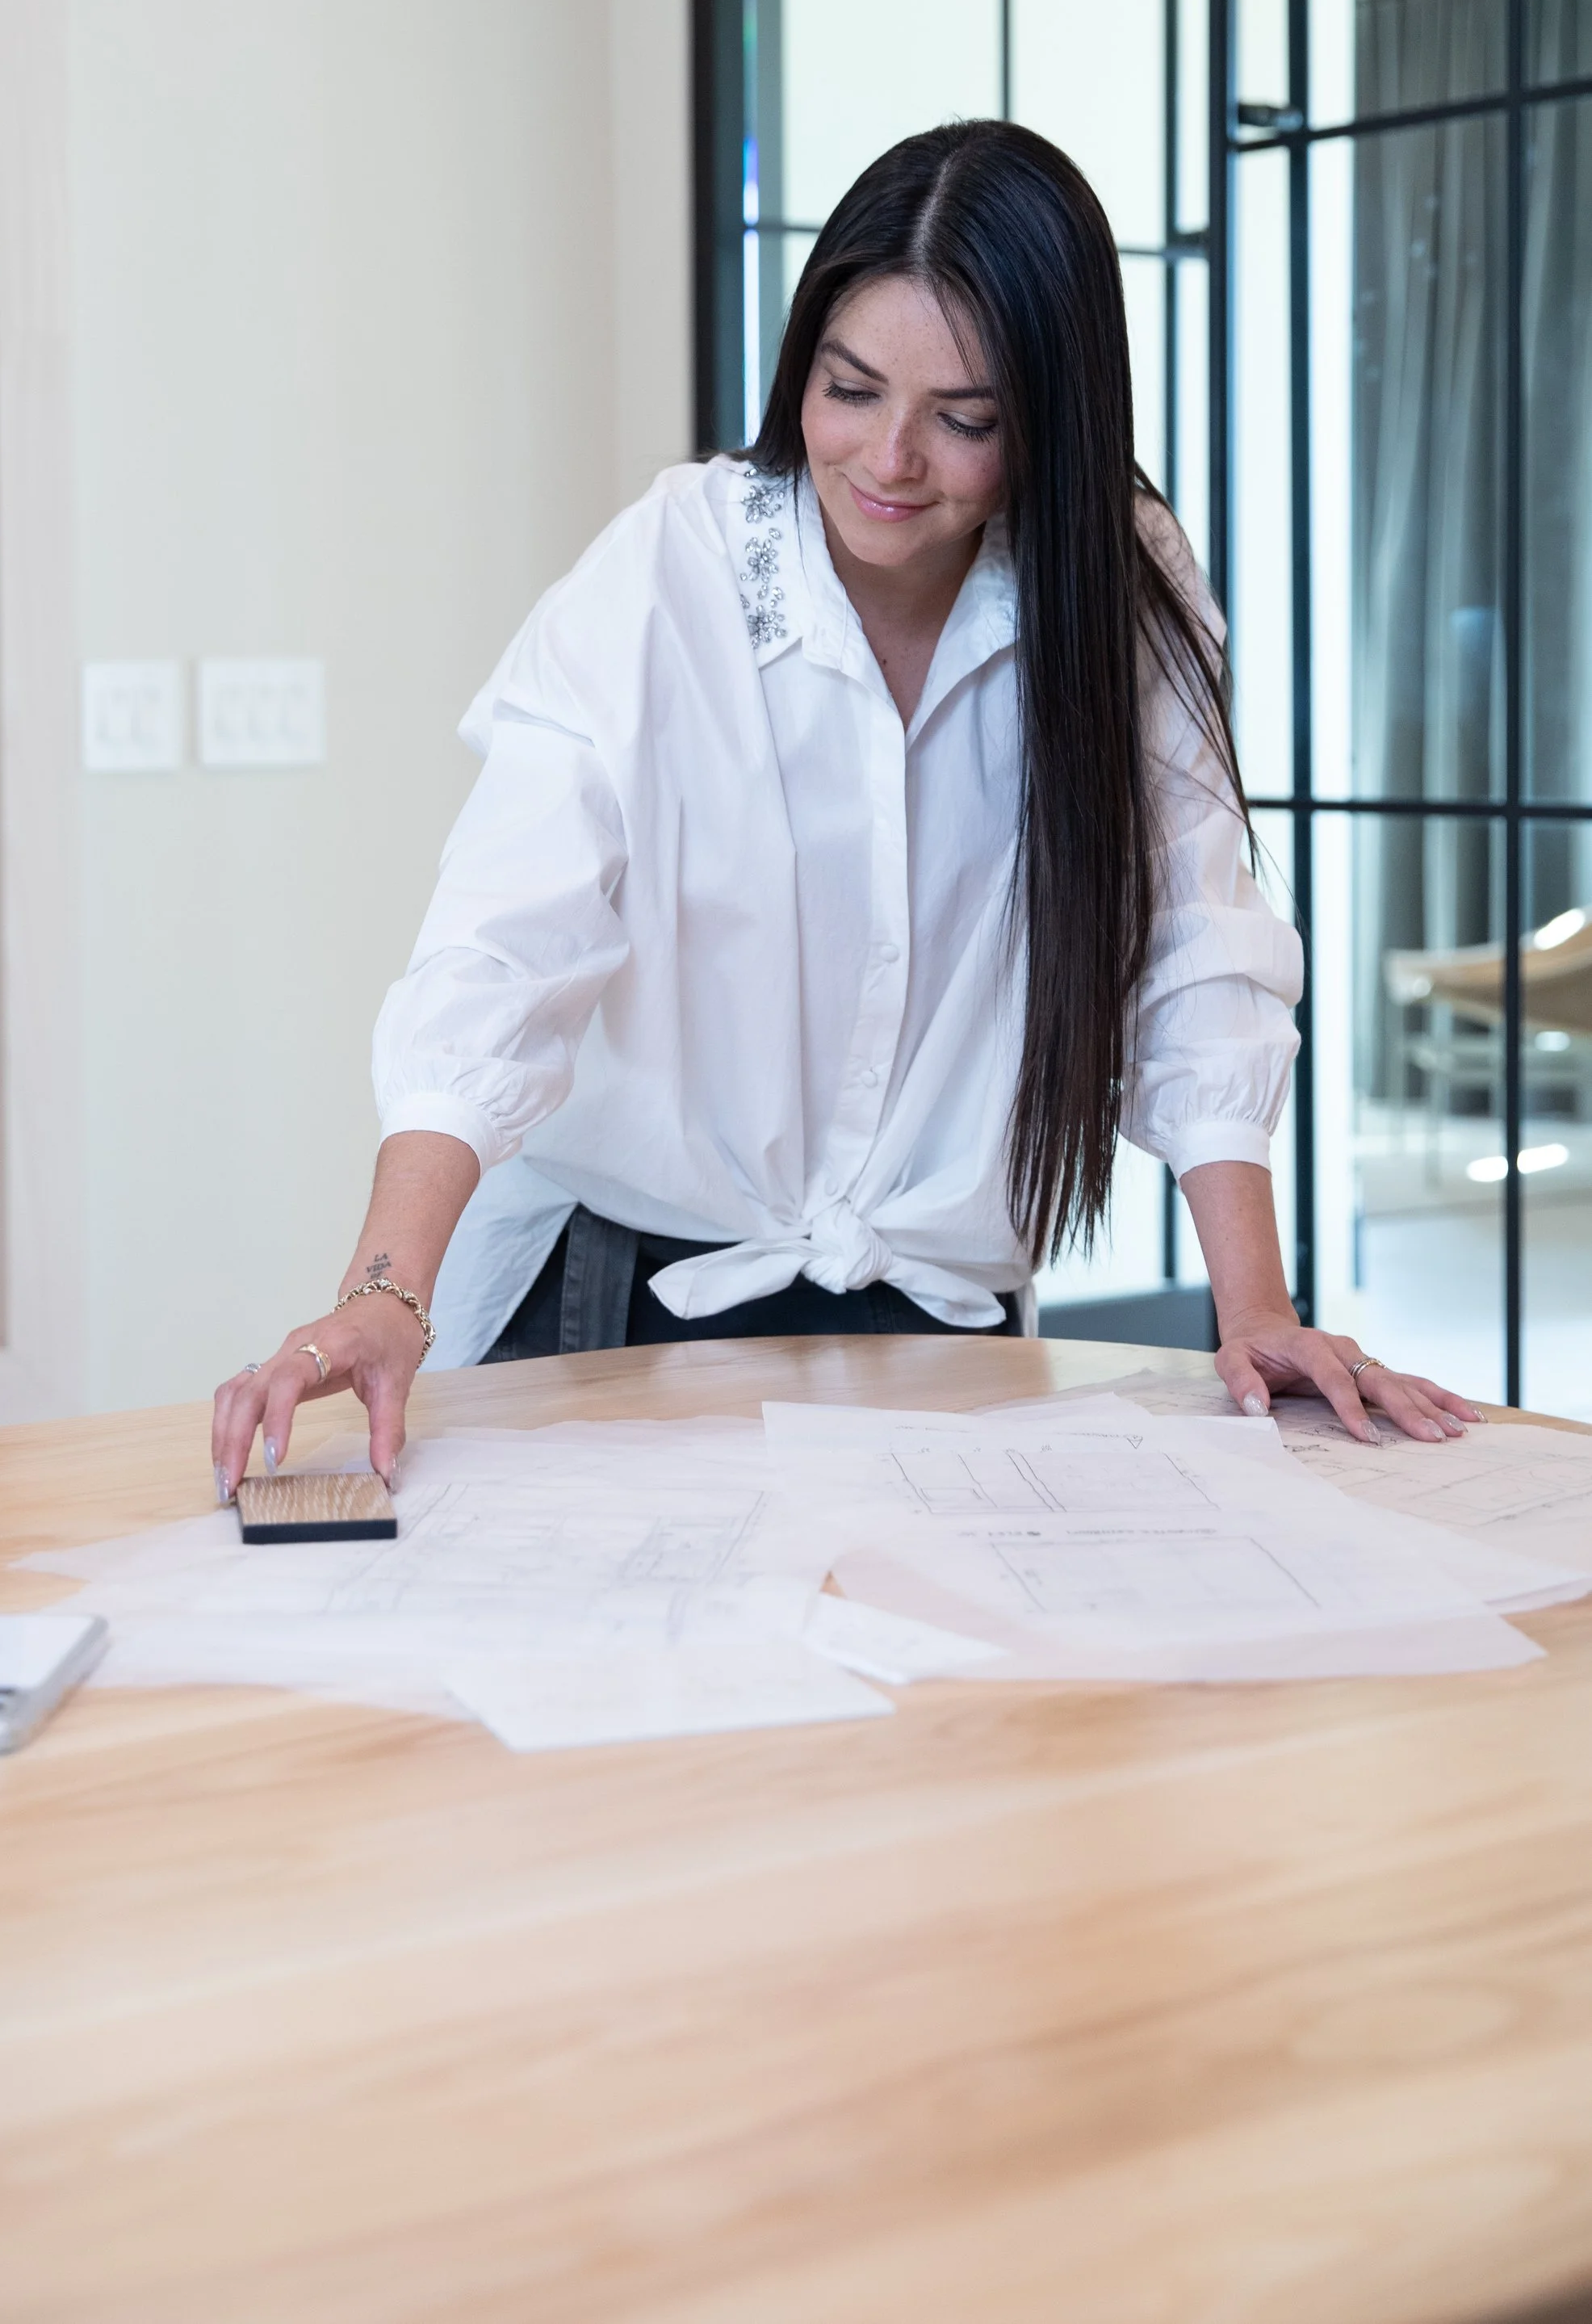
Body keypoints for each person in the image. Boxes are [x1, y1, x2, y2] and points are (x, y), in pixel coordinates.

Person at [212, 121, 1480, 1493]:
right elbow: (502, 947)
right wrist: (383, 1289)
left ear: (1049, 419)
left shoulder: (1115, 584)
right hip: (619, 1307)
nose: (890, 458)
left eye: (967, 419)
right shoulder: (668, 572)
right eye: (851, 387)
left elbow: (1195, 943)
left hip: (942, 1330)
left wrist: (1258, 1312)